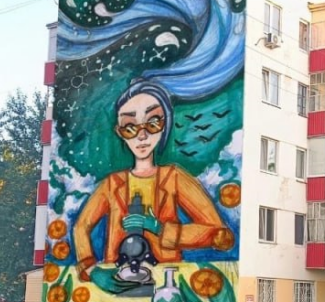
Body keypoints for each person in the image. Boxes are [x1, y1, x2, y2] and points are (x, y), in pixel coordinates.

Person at [73, 80, 233, 281]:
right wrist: (90, 268)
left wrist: (160, 228)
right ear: (119, 132)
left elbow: (220, 234)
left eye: (153, 123)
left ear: (165, 123)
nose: (142, 136)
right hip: (119, 279)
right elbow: (81, 226)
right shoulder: (112, 184)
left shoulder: (174, 178)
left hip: (165, 278)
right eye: (130, 127)